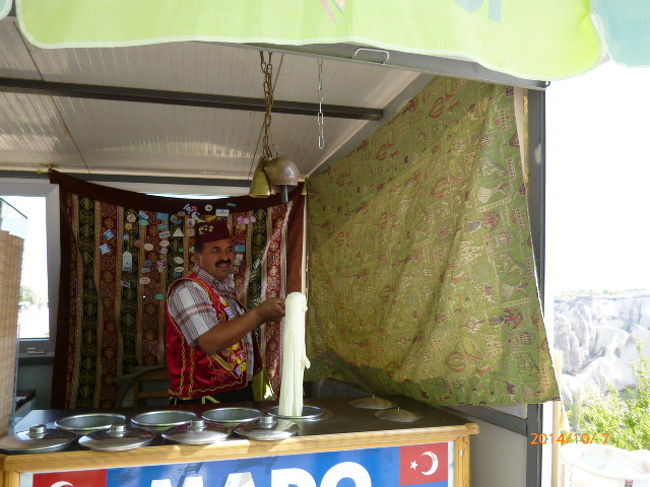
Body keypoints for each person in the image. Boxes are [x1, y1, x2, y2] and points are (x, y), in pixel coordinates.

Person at [166, 220, 285, 404]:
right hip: (203, 401)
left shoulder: (223, 291)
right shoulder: (188, 289)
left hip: (236, 394)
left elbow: (234, 331)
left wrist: (266, 316)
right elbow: (209, 342)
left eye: (229, 250)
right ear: (197, 258)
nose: (225, 256)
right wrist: (259, 314)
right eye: (215, 250)